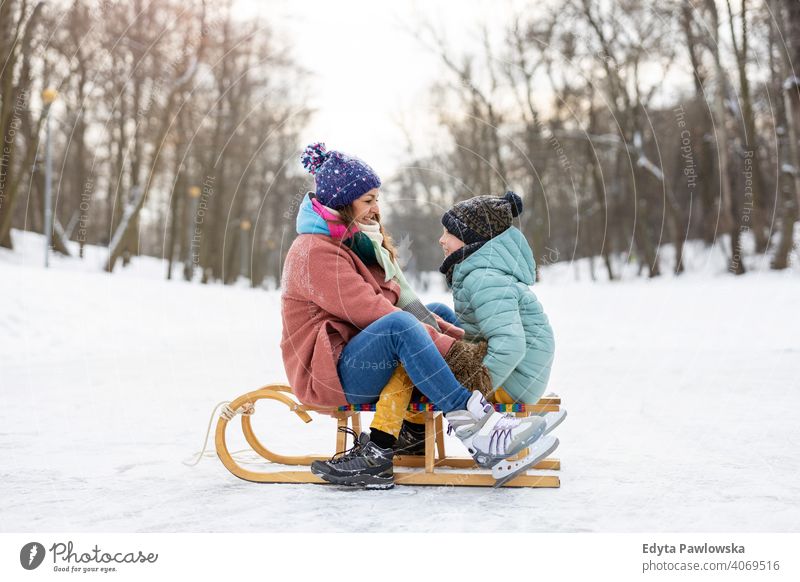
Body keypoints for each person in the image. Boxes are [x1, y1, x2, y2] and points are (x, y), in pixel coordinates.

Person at [279, 143, 547, 488]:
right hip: (328, 373)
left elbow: (399, 301)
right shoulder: (315, 252)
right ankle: (474, 426)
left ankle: (410, 435)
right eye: (368, 200)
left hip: (351, 357)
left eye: (377, 199)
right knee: (399, 326)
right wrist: (455, 353)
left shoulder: (350, 244)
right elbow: (374, 312)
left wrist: (460, 339)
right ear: (342, 204)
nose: (377, 209)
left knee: (430, 312)